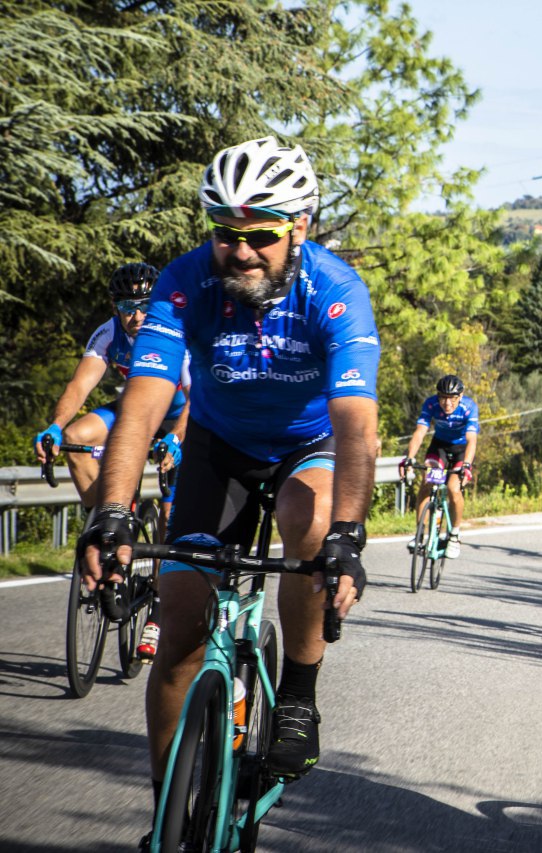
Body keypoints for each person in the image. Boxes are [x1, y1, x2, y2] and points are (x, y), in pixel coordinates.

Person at [77, 136, 380, 839]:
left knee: (310, 521)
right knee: (181, 621)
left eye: (261, 236)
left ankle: (299, 693)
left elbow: (357, 425)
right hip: (219, 446)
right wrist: (113, 513)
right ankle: (168, 814)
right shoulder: (185, 283)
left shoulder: (335, 292)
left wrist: (348, 535)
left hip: (307, 445)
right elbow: (144, 404)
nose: (241, 252)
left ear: (300, 226)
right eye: (226, 234)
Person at [33, 263, 191, 529]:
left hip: (179, 416)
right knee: (76, 436)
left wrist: (175, 436)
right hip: (137, 410)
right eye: (128, 308)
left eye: (146, 305)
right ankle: (105, 523)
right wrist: (55, 426)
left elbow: (195, 398)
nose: (138, 316)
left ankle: (158, 570)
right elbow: (79, 386)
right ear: (115, 308)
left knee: (168, 518)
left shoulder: (175, 331)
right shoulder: (108, 333)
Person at [402, 374, 478, 559]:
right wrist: (409, 458)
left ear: (460, 397)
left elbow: (472, 439)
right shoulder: (431, 404)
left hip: (461, 450)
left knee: (453, 488)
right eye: (443, 397)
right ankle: (420, 535)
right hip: (440, 447)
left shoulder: (469, 408)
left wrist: (466, 465)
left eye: (451, 398)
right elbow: (420, 432)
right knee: (427, 483)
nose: (447, 403)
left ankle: (454, 536)